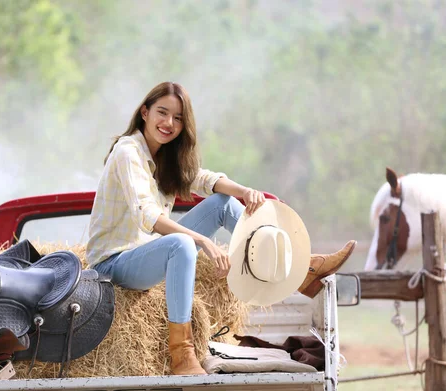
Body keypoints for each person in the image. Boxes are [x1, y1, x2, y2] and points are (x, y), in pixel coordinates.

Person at [87, 81, 356, 376]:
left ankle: (301, 269)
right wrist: (204, 240)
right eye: (162, 113)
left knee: (222, 203)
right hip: (112, 266)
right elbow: (147, 215)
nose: (169, 123)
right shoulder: (128, 152)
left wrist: (245, 190)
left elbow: (202, 179)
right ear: (145, 112)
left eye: (178, 118)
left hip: (142, 255)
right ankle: (182, 356)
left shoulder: (163, 156)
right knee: (181, 244)